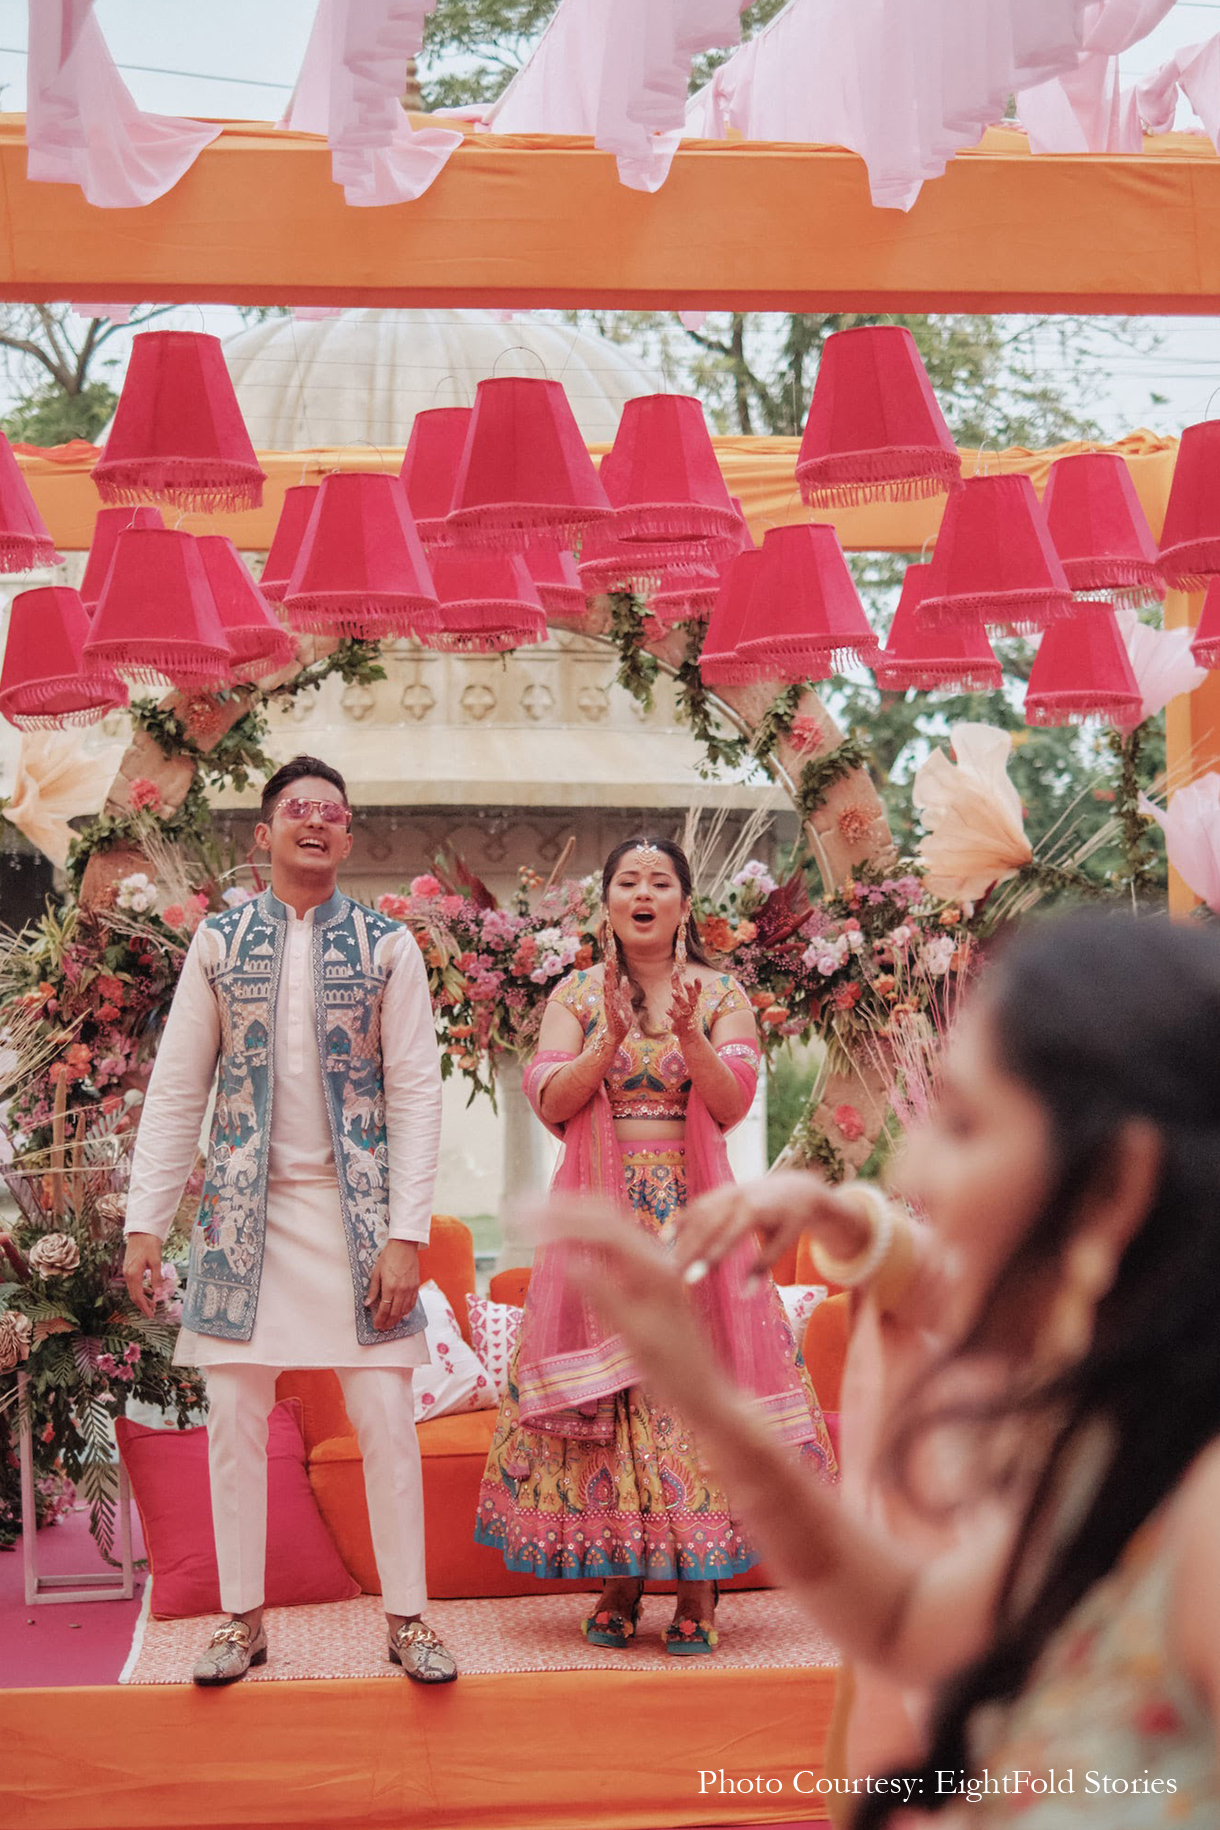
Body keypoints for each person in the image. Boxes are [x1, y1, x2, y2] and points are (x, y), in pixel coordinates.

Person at [549, 910, 1220, 1825]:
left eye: (962, 1121)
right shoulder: (1116, 1440)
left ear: (1115, 1186)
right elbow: (906, 1622)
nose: (913, 1162)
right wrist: (705, 1402)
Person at [122, 755, 457, 1687]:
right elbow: (179, 1085)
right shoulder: (221, 945)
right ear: (262, 835)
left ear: (348, 839)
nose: (315, 823)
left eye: (333, 813)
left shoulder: (389, 947)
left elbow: (419, 1095)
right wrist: (144, 1223)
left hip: (358, 1223)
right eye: (296, 811)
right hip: (242, 1218)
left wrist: (407, 1233)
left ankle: (409, 1618)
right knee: (232, 1413)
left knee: (386, 1412)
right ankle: (241, 1619)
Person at [474, 836, 837, 1653]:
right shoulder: (573, 993)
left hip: (693, 1222)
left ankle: (700, 1593)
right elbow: (551, 1103)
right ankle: (620, 1578)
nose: (644, 894)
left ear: (683, 904)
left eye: (660, 882)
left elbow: (735, 1101)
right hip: (603, 1222)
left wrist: (691, 1038)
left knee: (690, 1392)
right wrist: (605, 1036)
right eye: (628, 882)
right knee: (618, 1402)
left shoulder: (720, 993)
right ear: (606, 904)